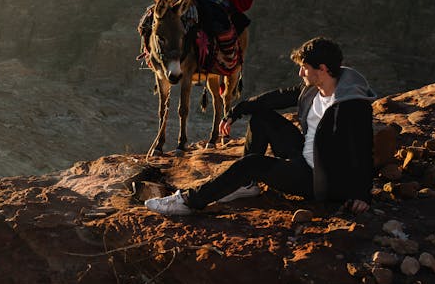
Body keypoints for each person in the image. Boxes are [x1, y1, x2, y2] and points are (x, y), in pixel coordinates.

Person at [144, 37, 376, 216]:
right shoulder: (315, 89)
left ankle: (188, 202)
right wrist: (237, 111)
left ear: (323, 69)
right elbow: (278, 97)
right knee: (261, 117)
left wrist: (361, 195)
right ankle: (246, 185)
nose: (300, 73)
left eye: (304, 68)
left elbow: (363, 149)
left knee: (252, 163)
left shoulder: (351, 105)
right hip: (302, 155)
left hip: (317, 179)